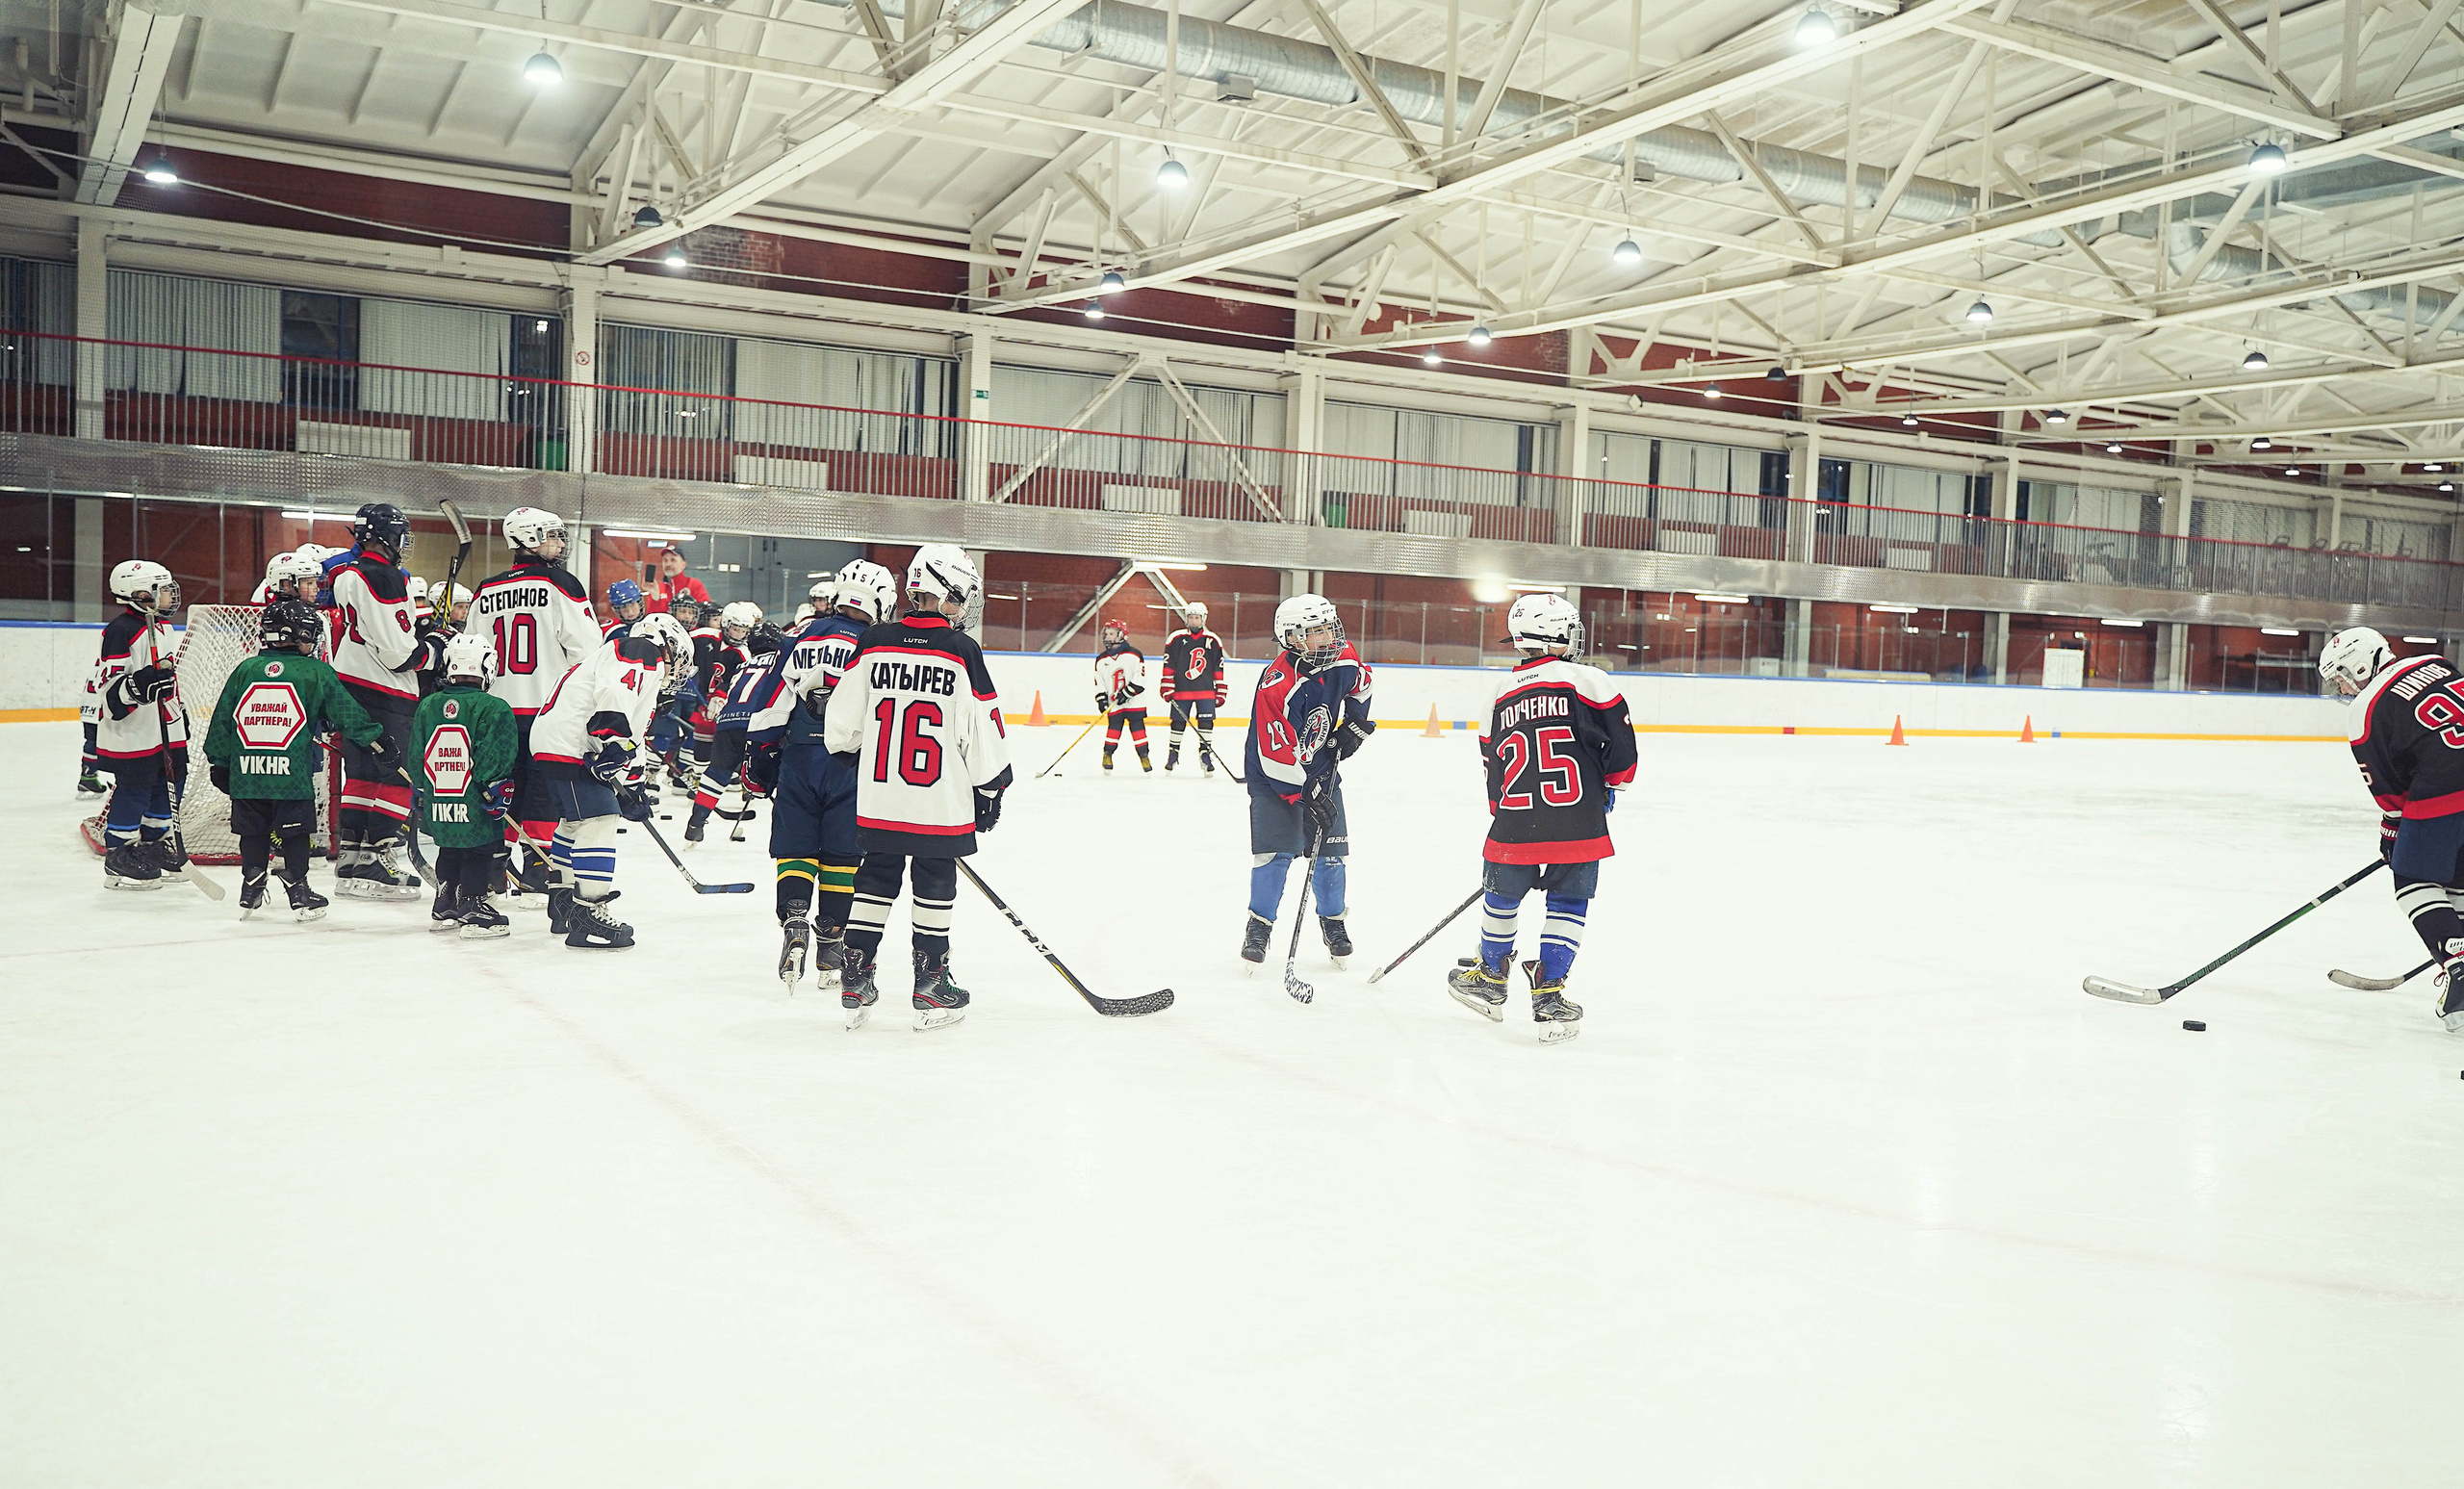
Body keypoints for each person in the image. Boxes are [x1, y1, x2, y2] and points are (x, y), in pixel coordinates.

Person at [821, 545, 1013, 1030]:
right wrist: (990, 788)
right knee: (934, 879)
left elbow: (842, 727)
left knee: (877, 875)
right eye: (959, 596)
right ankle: (931, 984)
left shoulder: (874, 642)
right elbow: (983, 729)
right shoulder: (961, 650)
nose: (961, 606)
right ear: (945, 592)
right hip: (939, 800)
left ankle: (855, 974)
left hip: (882, 795)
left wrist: (854, 755)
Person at [1444, 593, 1636, 1043]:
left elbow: (1493, 769)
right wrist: (1610, 787)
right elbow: (1623, 754)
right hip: (1579, 821)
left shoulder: (1499, 692)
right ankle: (1549, 992)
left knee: (1500, 898)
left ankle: (1491, 978)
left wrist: (1505, 814)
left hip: (1514, 821)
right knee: (1569, 905)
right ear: (1554, 635)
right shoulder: (1591, 681)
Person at [751, 559, 895, 998]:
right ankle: (831, 940)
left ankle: (795, 918)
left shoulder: (799, 635)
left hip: (798, 758)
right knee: (842, 854)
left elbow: (772, 699)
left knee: (795, 847)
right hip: (851, 763)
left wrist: (759, 756)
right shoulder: (876, 644)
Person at [200, 597, 391, 922]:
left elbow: (223, 720)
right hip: (290, 776)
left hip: (247, 774)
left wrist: (219, 761)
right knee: (295, 832)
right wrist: (377, 741)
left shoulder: (246, 669)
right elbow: (347, 714)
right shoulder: (314, 671)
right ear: (296, 633)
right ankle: (298, 888)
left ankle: (252, 882)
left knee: (253, 831)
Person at [2323, 627, 2464, 1034]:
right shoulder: (2437, 664)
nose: (2343, 687)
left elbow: (2387, 786)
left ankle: (2458, 964)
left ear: (2360, 663)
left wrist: (2392, 830)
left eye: (2342, 676)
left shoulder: (2365, 708)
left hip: (2444, 789)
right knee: (2456, 874)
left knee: (2412, 876)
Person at [528, 611, 693, 949]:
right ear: (669, 644)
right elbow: (615, 696)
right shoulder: (641, 650)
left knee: (573, 822)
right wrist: (613, 740)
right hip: (571, 744)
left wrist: (634, 788)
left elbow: (632, 737)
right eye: (679, 662)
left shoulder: (628, 660)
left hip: (554, 741)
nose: (677, 674)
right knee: (599, 819)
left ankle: (563, 904)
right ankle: (589, 911)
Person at [469, 506, 599, 906]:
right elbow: (589, 651)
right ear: (528, 538)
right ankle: (537, 874)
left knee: (500, 793)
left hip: (495, 713)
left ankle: (492, 874)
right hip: (545, 711)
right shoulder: (560, 583)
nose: (560, 544)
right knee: (541, 794)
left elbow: (471, 653)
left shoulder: (484, 590)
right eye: (552, 536)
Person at [1242, 594, 1374, 968]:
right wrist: (1305, 793)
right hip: (1273, 779)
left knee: (1331, 855)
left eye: (1328, 627)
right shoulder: (1277, 685)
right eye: (1315, 631)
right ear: (1291, 639)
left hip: (1319, 769)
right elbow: (1273, 757)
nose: (1327, 637)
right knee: (1275, 855)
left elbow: (1362, 685)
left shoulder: (1343, 655)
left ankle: (1334, 925)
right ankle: (1259, 927)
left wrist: (1354, 723)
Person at [325, 502, 445, 898]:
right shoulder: (384, 575)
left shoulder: (348, 573)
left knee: (362, 774)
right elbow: (399, 654)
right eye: (400, 532)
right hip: (384, 689)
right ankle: (377, 856)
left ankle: (353, 854)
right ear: (384, 536)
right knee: (396, 774)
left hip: (351, 685)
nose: (403, 541)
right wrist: (434, 649)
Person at [411, 631, 519, 939]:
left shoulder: (429, 704)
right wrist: (494, 786)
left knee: (449, 846)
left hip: (440, 796)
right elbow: (495, 752)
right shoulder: (493, 707)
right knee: (478, 849)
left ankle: (445, 902)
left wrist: (420, 788)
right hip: (475, 796)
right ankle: (472, 904)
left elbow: (417, 750)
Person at [93, 559, 191, 888]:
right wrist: (139, 685)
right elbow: (109, 688)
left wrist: (179, 712)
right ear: (138, 593)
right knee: (136, 788)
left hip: (164, 724)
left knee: (172, 780)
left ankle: (152, 846)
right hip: (134, 730)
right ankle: (119, 856)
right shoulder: (121, 630)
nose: (168, 596)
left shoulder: (163, 626)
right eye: (161, 590)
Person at [684, 621, 787, 845]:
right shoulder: (783, 662)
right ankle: (787, 828)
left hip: (727, 723)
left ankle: (696, 823)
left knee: (717, 773)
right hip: (760, 722)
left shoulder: (743, 665)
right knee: (786, 775)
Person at [1161, 601, 1229, 774]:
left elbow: (1217, 666)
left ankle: (1205, 754)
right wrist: (1167, 685)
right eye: (1191, 618)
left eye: (1197, 618)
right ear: (1186, 619)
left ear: (1203, 619)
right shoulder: (1176, 638)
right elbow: (1169, 664)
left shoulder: (1213, 640)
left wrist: (1220, 688)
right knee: (1177, 722)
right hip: (1182, 690)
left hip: (1205, 690)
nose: (1194, 621)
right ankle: (1173, 753)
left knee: (1206, 722)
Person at [1093, 617, 1151, 774]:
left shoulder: (1134, 655)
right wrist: (1101, 699)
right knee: (1114, 728)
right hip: (1115, 703)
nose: (1107, 637)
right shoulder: (1101, 659)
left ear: (1121, 635)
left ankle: (1144, 756)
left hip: (1134, 702)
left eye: (1111, 633)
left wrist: (1126, 693)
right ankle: (1107, 755)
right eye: (1106, 634)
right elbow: (1099, 682)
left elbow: (1140, 680)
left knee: (1138, 728)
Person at [650, 546, 710, 614]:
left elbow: (706, 612)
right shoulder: (658, 588)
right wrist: (656, 600)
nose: (668, 564)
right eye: (665, 560)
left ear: (683, 565)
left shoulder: (694, 584)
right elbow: (652, 617)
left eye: (673, 560)